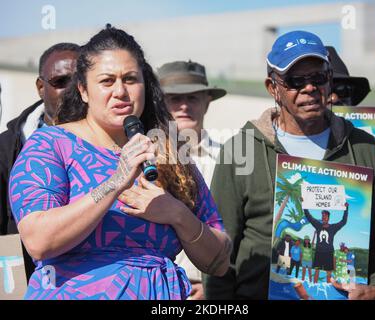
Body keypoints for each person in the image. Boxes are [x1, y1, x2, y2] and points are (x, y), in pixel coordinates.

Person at [8, 25, 231, 300]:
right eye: (106, 81)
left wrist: (177, 215)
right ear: (83, 90)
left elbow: (219, 261)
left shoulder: (169, 153)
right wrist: (116, 181)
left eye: (130, 79)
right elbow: (39, 241)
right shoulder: (51, 144)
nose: (121, 91)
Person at [204, 30, 375, 300]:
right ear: (272, 87)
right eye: (295, 81)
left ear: (329, 79)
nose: (309, 88)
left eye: (317, 77)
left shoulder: (367, 148)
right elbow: (218, 251)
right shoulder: (240, 151)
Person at [0, 42, 80, 281]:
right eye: (60, 82)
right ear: (40, 87)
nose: (70, 90)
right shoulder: (6, 149)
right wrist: (10, 292)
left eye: (78, 80)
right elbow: (3, 236)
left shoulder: (112, 142)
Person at [157, 60, 227, 299]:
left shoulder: (230, 159)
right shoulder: (143, 159)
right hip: (157, 289)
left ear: (207, 102)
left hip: (215, 288)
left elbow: (242, 232)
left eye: (193, 98)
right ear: (160, 103)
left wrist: (212, 288)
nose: (184, 106)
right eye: (175, 98)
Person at [303, 205, 348, 284]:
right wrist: (305, 204)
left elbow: (343, 221)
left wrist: (346, 209)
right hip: (318, 253)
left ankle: (328, 288)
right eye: (322, 215)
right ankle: (314, 286)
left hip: (329, 253)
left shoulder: (333, 227)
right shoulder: (318, 225)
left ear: (328, 217)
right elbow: (309, 217)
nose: (324, 217)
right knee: (316, 271)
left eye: (325, 216)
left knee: (329, 273)